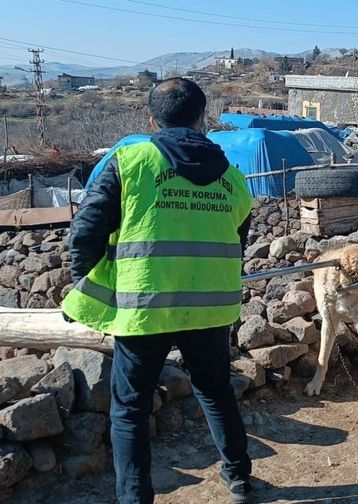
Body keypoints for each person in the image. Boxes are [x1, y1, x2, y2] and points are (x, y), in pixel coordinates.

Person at [62, 78, 254, 504]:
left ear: (152, 119)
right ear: (202, 119)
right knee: (216, 392)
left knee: (130, 410)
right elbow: (238, 236)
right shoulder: (234, 178)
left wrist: (85, 287)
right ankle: (239, 479)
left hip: (144, 306)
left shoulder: (129, 162)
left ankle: (134, 497)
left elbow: (86, 232)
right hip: (211, 307)